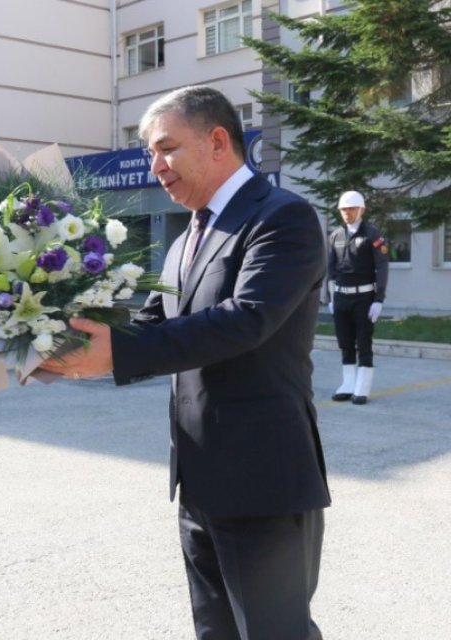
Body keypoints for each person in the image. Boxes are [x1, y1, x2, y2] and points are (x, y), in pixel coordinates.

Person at [41, 86, 329, 639]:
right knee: (214, 631)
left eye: (166, 149)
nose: (156, 167)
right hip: (199, 477)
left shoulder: (281, 218)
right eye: (150, 153)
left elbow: (246, 319)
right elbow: (153, 323)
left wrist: (118, 351)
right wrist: (58, 346)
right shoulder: (185, 238)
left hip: (262, 477)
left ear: (218, 141)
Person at [321, 191, 389, 404]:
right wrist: (330, 297)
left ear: (361, 210)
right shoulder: (335, 235)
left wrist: (379, 299)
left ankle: (362, 387)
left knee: (363, 341)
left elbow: (382, 266)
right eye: (343, 209)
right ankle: (348, 383)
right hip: (341, 297)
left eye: (351, 209)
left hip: (364, 297)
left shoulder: (372, 234)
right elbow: (330, 269)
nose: (347, 213)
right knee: (345, 342)